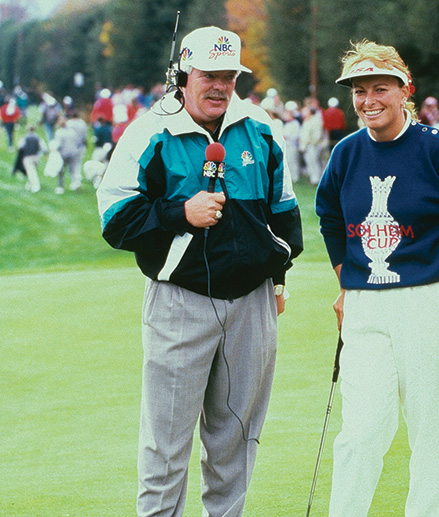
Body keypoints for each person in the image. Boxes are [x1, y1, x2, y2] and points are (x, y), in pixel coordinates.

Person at [96, 26, 303, 516]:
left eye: (229, 76)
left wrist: (278, 278)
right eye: (209, 75)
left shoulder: (259, 125)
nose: (220, 86)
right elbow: (114, 219)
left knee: (236, 439)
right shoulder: (150, 131)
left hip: (252, 302)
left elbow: (284, 211)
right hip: (179, 300)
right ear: (184, 73)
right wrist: (178, 213)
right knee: (166, 445)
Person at [315, 39, 439, 516]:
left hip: (431, 301)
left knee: (429, 430)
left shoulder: (438, 149)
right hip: (365, 305)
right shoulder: (347, 152)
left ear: (405, 91)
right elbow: (330, 218)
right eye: (359, 90)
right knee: (360, 432)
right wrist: (345, 280)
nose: (369, 100)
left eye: (380, 88)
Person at [18, 125, 47, 193]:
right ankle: (29, 184)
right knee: (32, 170)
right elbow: (44, 147)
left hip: (28, 156)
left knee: (31, 172)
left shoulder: (25, 137)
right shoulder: (38, 137)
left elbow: (20, 146)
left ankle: (35, 186)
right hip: (36, 156)